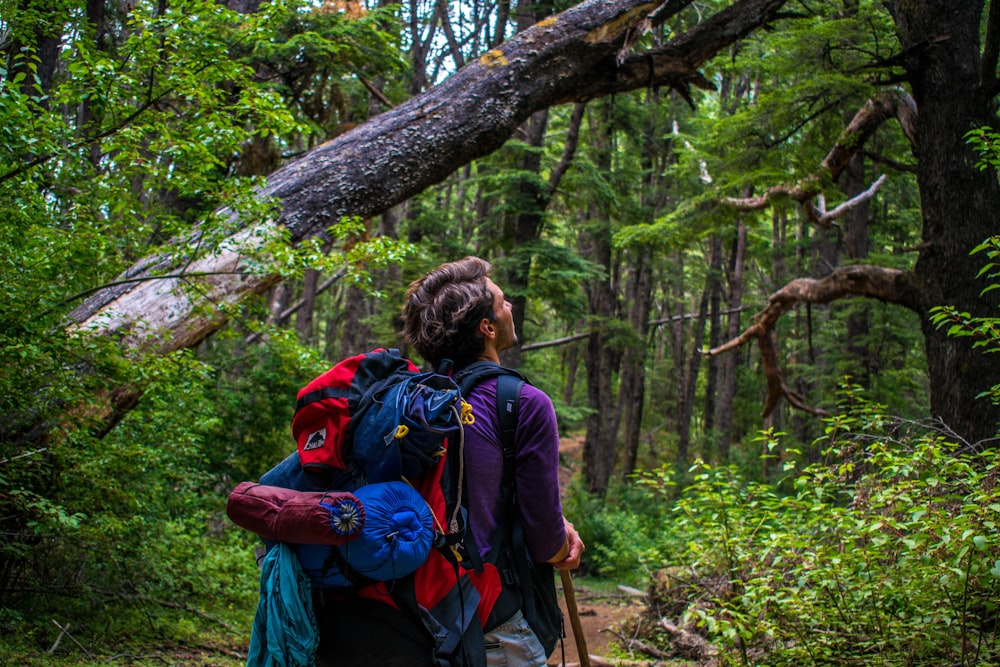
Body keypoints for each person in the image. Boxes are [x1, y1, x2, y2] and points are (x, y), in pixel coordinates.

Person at [401, 256, 585, 666]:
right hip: (490, 618)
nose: (510, 308)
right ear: (487, 327)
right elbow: (543, 538)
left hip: (414, 614)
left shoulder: (414, 401)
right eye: (502, 303)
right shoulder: (523, 404)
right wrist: (564, 541)